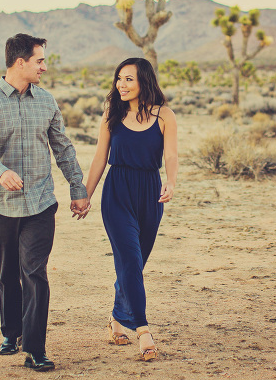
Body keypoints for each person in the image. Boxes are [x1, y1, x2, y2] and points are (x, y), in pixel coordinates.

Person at [0, 33, 90, 372]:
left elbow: (63, 147)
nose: (44, 67)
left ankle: (35, 349)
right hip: (1, 204)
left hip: (40, 203)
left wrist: (77, 187)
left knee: (35, 273)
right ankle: (12, 332)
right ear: (20, 62)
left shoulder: (47, 101)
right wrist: (0, 172)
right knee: (8, 272)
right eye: (39, 61)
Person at [81, 57, 178, 362]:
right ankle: (143, 330)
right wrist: (85, 195)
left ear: (144, 82)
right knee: (131, 260)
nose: (121, 85)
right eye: (119, 78)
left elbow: (171, 155)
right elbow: (100, 157)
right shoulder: (112, 113)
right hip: (117, 193)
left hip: (150, 193)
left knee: (133, 264)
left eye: (128, 79)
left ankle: (116, 316)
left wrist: (171, 182)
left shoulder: (164, 115)